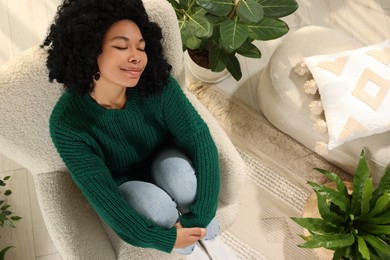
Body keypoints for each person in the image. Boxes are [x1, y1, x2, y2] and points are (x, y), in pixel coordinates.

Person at [42, 0, 237, 259]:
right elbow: (104, 199)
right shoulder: (67, 125)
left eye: (141, 47)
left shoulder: (156, 83)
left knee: (186, 185)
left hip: (164, 154)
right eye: (121, 46)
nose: (136, 57)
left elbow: (199, 139)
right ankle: (190, 251)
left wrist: (202, 214)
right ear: (90, 51)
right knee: (157, 210)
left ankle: (212, 241)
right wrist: (165, 239)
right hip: (125, 181)